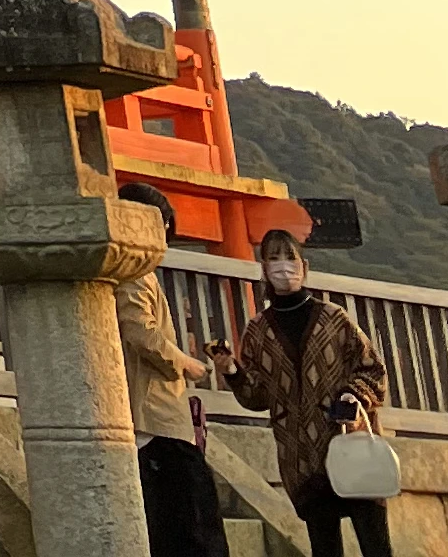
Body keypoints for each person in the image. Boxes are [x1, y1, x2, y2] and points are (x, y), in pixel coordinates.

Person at [219, 225, 394, 557]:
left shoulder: (333, 318)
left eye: (290, 257)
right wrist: (231, 370)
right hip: (300, 455)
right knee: (324, 546)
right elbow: (257, 397)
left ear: (304, 266)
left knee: (376, 545)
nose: (284, 266)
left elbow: (372, 367)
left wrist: (354, 395)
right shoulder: (257, 331)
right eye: (274, 258)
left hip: (349, 442)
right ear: (264, 269)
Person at [115, 181, 228, 557]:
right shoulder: (133, 275)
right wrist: (186, 363)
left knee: (185, 523)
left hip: (163, 415)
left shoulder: (139, 274)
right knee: (190, 525)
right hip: (156, 417)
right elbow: (141, 334)